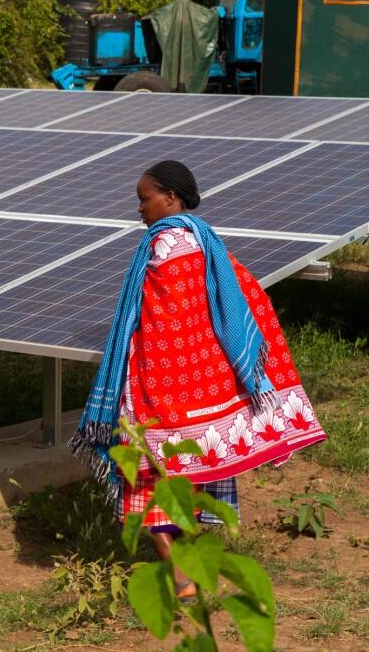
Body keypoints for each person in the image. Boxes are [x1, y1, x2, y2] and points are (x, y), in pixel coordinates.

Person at [70, 161, 327, 600]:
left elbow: (161, 323)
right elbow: (240, 300)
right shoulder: (204, 241)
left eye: (144, 197)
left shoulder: (165, 246)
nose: (139, 208)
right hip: (201, 394)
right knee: (190, 483)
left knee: (145, 484)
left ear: (170, 198)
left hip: (160, 392)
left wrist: (140, 378)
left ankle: (179, 575)